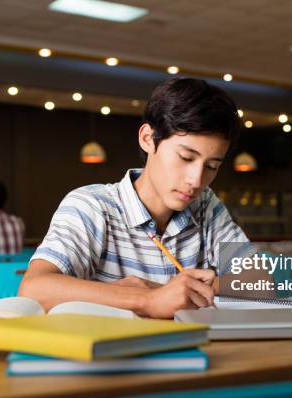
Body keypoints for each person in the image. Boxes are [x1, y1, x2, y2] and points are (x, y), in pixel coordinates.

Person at [19, 77, 249, 318]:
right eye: (185, 157)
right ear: (148, 138)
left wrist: (184, 292)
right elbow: (34, 289)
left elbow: (261, 280)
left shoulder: (205, 205)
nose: (197, 180)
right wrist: (149, 299)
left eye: (212, 166)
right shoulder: (91, 205)